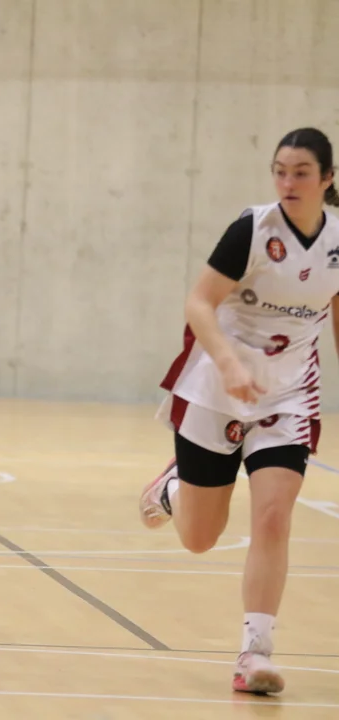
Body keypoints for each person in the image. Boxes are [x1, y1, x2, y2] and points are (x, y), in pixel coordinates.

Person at [139, 127, 339, 695]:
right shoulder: (252, 229)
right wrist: (228, 363)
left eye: (301, 172)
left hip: (288, 394)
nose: (288, 182)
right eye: (280, 171)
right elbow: (199, 302)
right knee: (200, 538)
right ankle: (175, 489)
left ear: (327, 179)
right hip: (216, 385)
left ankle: (254, 653)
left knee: (274, 516)